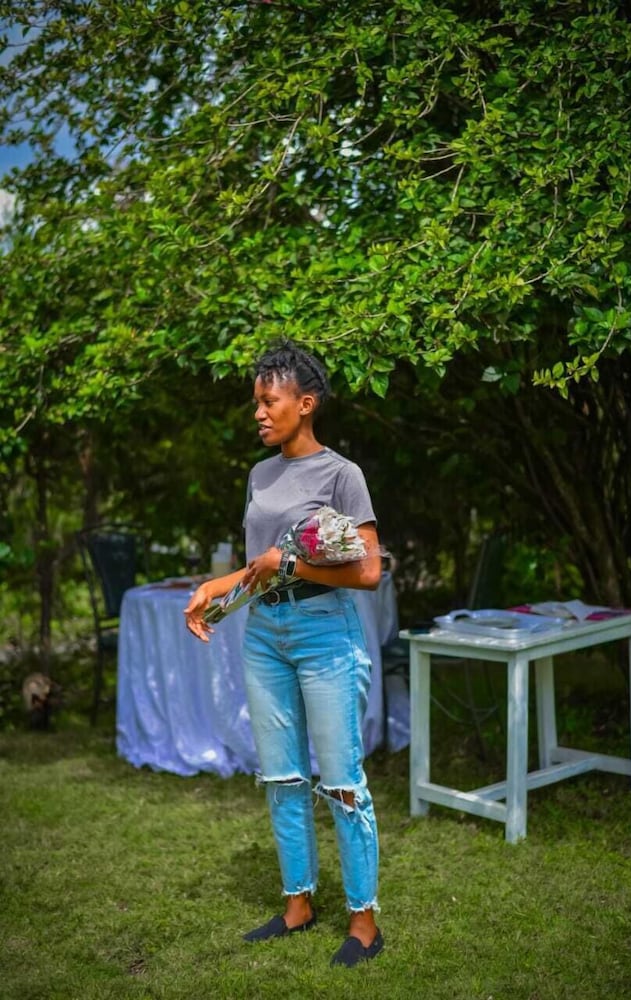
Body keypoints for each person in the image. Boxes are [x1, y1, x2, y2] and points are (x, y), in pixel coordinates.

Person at [184, 340, 384, 968]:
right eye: (257, 403)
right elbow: (260, 567)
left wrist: (290, 564)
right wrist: (217, 588)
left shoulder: (342, 475)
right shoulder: (259, 474)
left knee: (342, 782)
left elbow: (368, 572)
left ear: (306, 403)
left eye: (269, 401)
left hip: (326, 634)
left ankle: (363, 922)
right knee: (282, 777)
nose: (259, 413)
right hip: (264, 636)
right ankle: (298, 904)